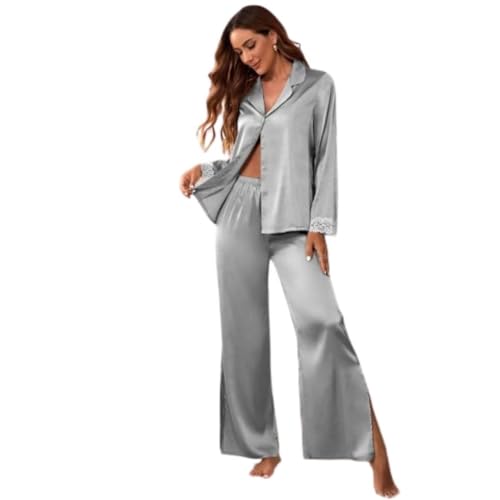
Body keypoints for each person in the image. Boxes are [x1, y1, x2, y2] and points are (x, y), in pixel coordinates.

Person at [179, 5, 399, 497]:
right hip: (238, 212)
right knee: (243, 334)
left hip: (295, 221)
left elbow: (326, 159)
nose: (246, 57)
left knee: (323, 323)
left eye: (250, 45)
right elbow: (242, 158)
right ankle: (262, 444)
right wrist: (204, 170)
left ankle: (373, 450)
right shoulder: (245, 92)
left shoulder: (318, 86)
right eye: (238, 52)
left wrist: (320, 226)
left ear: (272, 35)